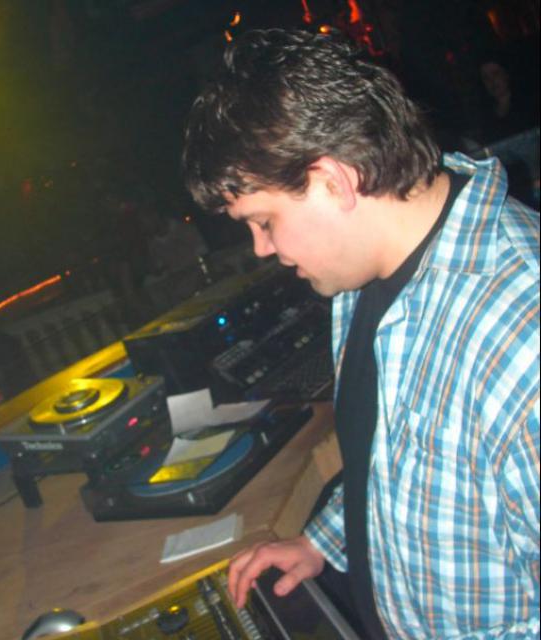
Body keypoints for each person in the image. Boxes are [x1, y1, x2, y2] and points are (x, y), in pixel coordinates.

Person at [182, 29, 540, 639]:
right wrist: (323, 542)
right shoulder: (359, 275)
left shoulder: (522, 332)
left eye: (264, 220)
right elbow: (396, 467)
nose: (261, 248)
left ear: (334, 181)